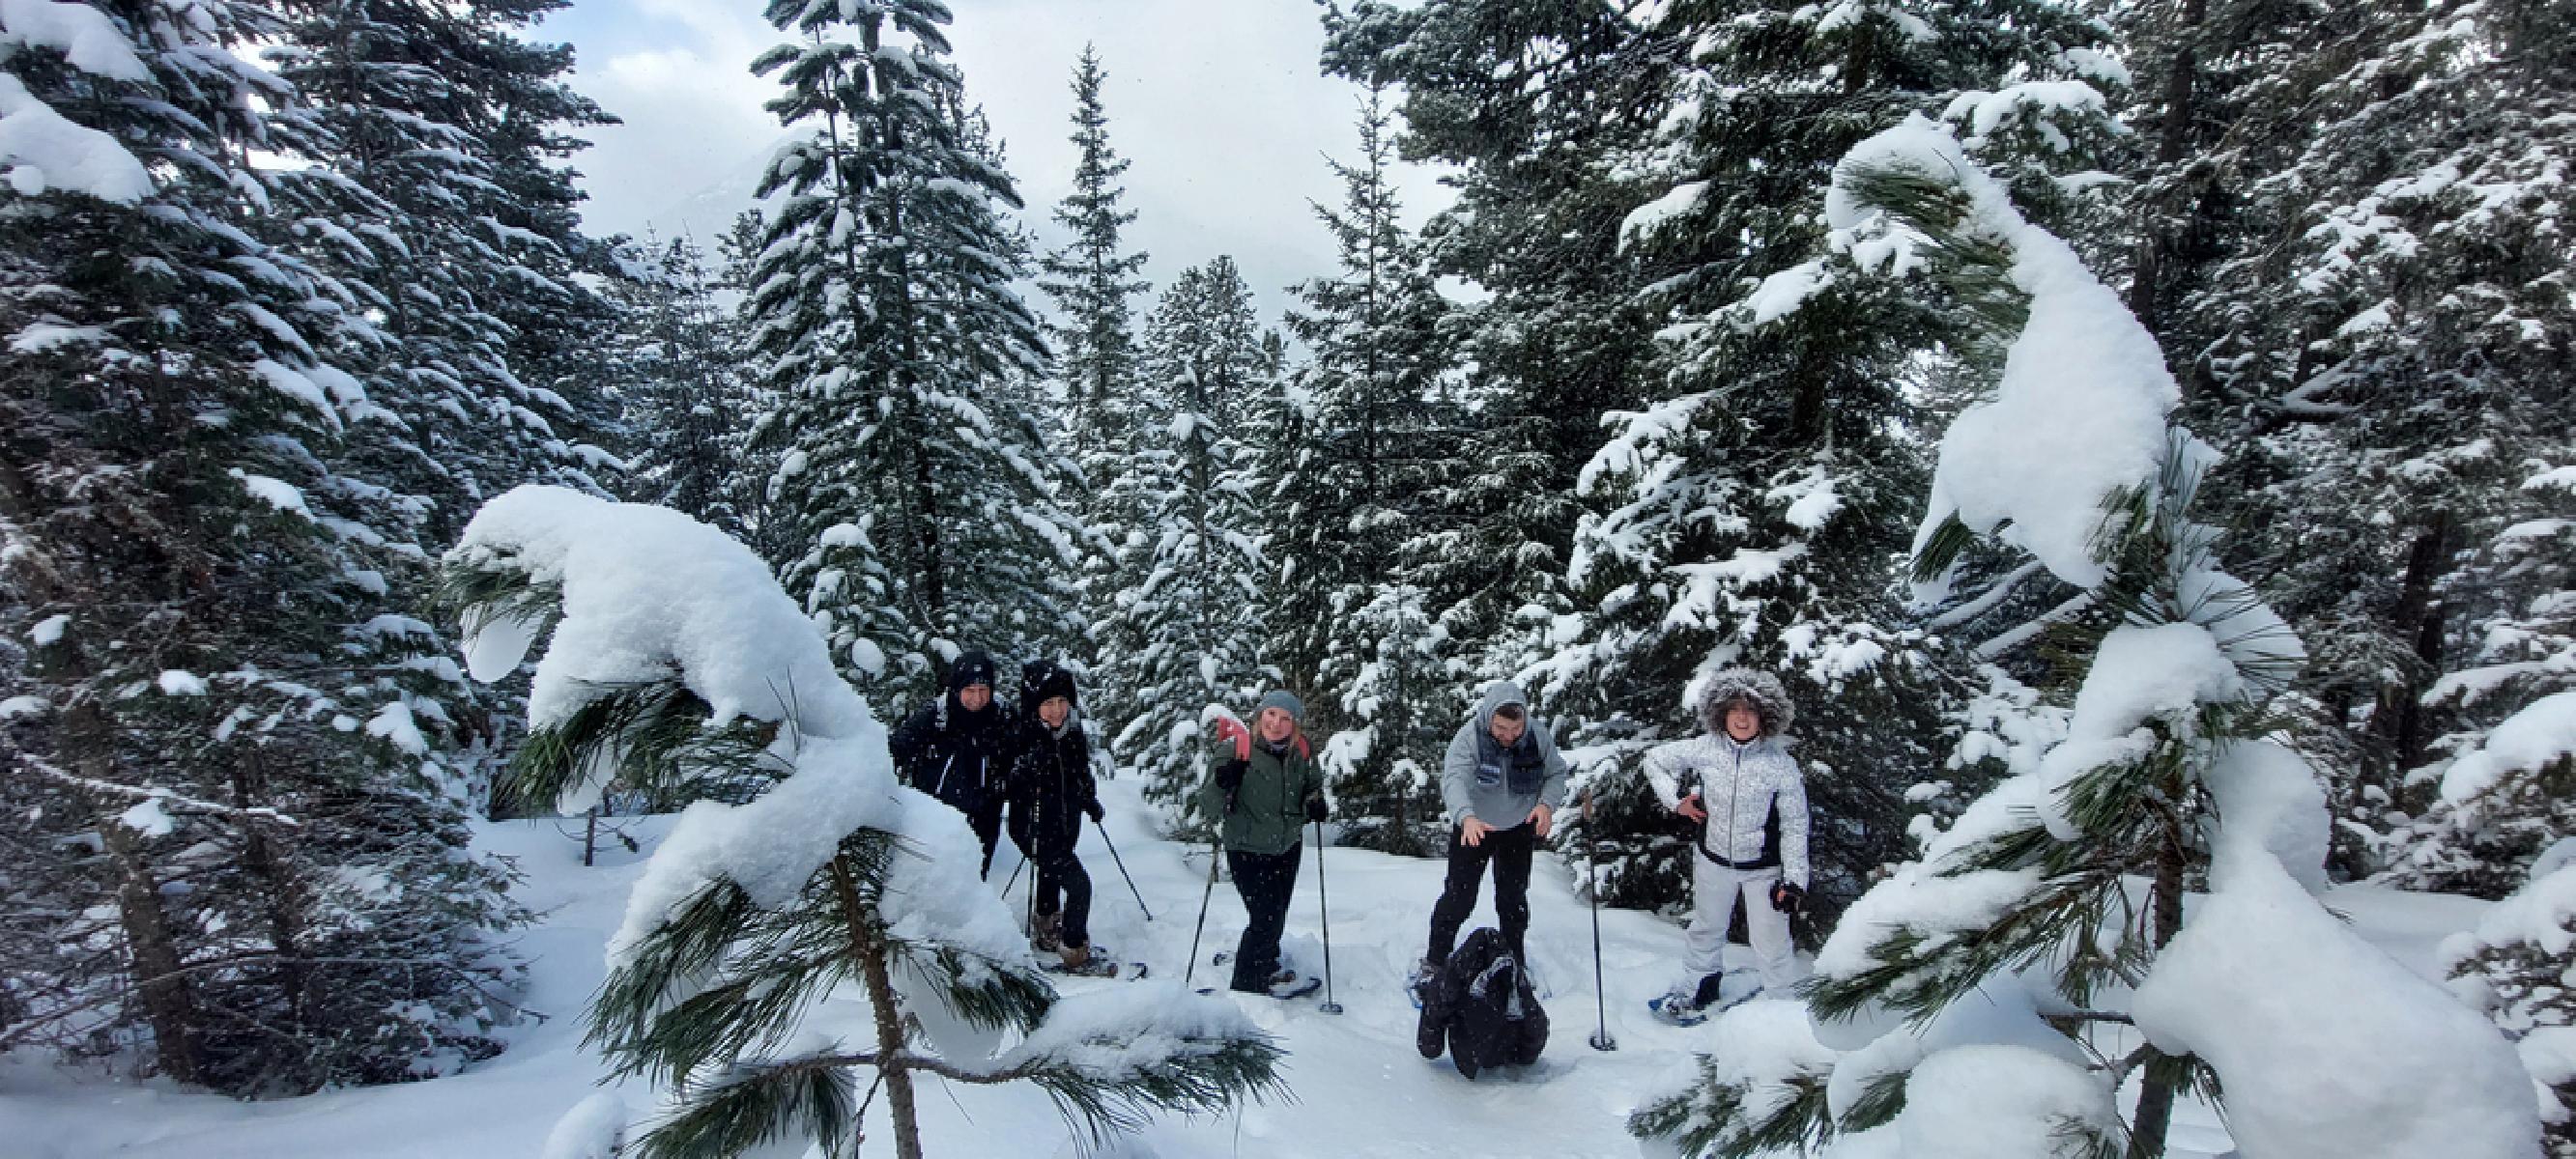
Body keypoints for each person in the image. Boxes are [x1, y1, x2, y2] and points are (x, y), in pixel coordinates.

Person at [1642, 668, 1811, 1018]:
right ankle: (1700, 987)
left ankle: (1783, 1012)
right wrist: (1676, 802)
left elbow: (1795, 824)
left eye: (1751, 711)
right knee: (1706, 930)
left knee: (1771, 943)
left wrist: (1794, 881)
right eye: (1735, 709)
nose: (1742, 718)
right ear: (1720, 712)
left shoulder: (1780, 766)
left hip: (1764, 871)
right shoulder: (1706, 749)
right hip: (1713, 861)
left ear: (1765, 716)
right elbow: (1654, 761)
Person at [1413, 681, 1570, 995]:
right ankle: (1434, 961)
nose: (1509, 736)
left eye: (1515, 729)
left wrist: (1546, 805)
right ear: (1488, 719)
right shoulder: (1469, 738)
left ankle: (1514, 963)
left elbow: (1556, 773)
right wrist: (1466, 817)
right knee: (1459, 897)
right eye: (1501, 728)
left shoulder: (1537, 736)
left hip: (1519, 827)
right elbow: (1454, 780)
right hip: (1475, 827)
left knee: (1513, 899)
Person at [1200, 690, 1329, 997]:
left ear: (1294, 724)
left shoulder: (1302, 751)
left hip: (1287, 846)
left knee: (1276, 913)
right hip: (1247, 848)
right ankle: (1246, 985)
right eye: (1271, 714)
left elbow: (1312, 785)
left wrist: (1314, 802)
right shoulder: (1236, 750)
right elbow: (1207, 805)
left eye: (1285, 718)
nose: (1276, 723)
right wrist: (1222, 782)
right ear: (1260, 716)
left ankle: (1267, 963)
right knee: (1265, 919)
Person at [1006, 660, 1108, 974]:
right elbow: (1007, 781)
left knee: (1050, 877)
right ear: (1034, 704)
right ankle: (1074, 950)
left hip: (1065, 826)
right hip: (1034, 829)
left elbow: (1080, 774)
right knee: (1080, 886)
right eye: (1048, 703)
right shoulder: (1022, 736)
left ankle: (1048, 926)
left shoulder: (1071, 735)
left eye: (1062, 701)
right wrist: (1028, 768)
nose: (1056, 710)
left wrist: (1089, 799)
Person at [888, 650, 1016, 878]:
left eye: (983, 690)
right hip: (935, 819)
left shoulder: (1003, 717)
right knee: (931, 880)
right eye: (970, 690)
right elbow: (894, 751)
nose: (977, 698)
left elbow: (1026, 752)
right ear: (957, 689)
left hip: (984, 820)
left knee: (973, 881)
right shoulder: (935, 717)